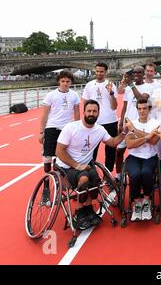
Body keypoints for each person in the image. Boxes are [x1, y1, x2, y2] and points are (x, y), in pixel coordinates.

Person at [55, 100, 127, 230]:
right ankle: (79, 212)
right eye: (89, 111)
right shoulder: (71, 128)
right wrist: (77, 165)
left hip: (86, 165)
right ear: (84, 112)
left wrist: (124, 133)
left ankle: (88, 209)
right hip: (66, 166)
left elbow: (112, 142)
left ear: (98, 113)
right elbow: (59, 151)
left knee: (94, 179)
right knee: (84, 179)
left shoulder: (99, 130)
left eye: (94, 111)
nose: (91, 113)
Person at [39, 70, 80, 204]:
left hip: (66, 130)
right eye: (63, 81)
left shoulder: (74, 95)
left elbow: (77, 114)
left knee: (62, 160)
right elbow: (44, 115)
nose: (65, 83)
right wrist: (41, 132)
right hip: (52, 128)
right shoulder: (51, 95)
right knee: (47, 159)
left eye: (68, 81)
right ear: (59, 81)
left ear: (71, 82)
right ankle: (46, 190)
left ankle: (61, 187)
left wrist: (77, 129)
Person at [124, 98, 160, 221]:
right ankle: (136, 203)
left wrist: (135, 131)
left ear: (149, 109)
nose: (142, 111)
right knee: (134, 174)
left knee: (146, 172)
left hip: (150, 157)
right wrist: (147, 136)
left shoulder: (155, 123)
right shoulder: (132, 123)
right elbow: (129, 144)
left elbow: (154, 141)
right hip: (134, 157)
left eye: (144, 108)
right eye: (139, 109)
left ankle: (147, 201)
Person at [116, 66, 153, 180]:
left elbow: (142, 100)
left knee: (141, 150)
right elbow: (125, 106)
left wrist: (131, 84)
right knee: (119, 150)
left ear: (143, 74)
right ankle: (118, 175)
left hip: (140, 124)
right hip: (127, 123)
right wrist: (121, 121)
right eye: (134, 73)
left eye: (139, 73)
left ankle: (143, 175)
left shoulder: (148, 87)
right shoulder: (128, 88)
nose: (136, 74)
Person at [82, 62, 118, 172]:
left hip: (110, 121)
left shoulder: (111, 85)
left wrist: (111, 93)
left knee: (111, 150)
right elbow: (84, 103)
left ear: (106, 72)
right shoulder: (89, 85)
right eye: (97, 71)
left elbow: (114, 106)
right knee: (91, 150)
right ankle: (91, 174)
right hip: (94, 122)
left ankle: (108, 175)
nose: (99, 73)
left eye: (101, 71)